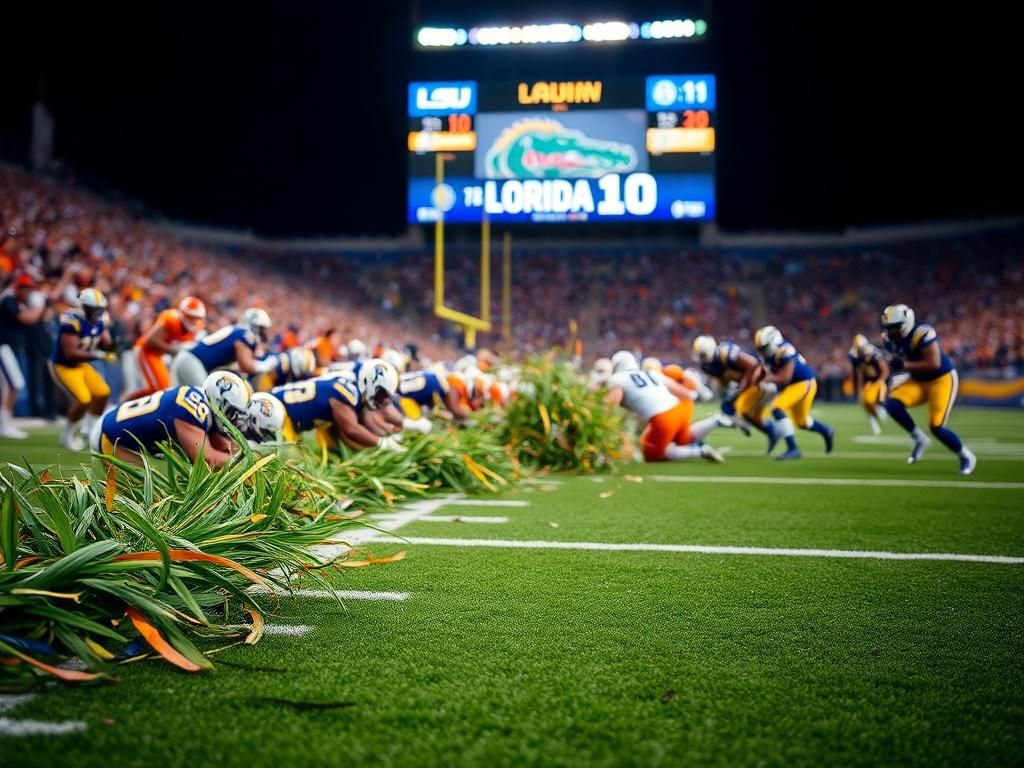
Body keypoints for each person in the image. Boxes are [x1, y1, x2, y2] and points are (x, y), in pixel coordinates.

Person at [880, 304, 976, 474]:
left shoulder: (922, 333)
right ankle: (919, 438)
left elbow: (934, 363)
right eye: (888, 328)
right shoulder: (889, 341)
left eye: (894, 328)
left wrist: (904, 366)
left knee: (936, 426)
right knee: (892, 404)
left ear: (906, 323)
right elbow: (896, 359)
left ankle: (966, 455)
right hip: (918, 381)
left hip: (941, 379)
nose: (891, 332)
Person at [92, 370, 251, 468]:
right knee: (136, 502)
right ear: (219, 402)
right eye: (232, 413)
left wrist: (243, 452)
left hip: (123, 429)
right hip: (112, 437)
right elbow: (208, 459)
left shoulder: (203, 400)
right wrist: (244, 462)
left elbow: (224, 447)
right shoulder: (191, 411)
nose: (234, 420)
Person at [604, 350, 730, 463]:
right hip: (678, 408)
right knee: (683, 439)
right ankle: (714, 421)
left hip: (663, 416)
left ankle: (699, 451)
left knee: (651, 453)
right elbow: (686, 393)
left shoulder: (618, 379)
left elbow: (610, 407)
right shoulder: (648, 374)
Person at [269, 358, 402, 451]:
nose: (383, 400)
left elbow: (343, 432)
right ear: (371, 383)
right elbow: (351, 430)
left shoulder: (354, 389)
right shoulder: (348, 393)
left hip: (281, 413)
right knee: (292, 467)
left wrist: (387, 435)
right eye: (383, 394)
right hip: (275, 413)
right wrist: (382, 443)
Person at [754, 325, 835, 460]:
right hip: (796, 384)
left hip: (804, 382)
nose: (762, 351)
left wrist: (763, 380)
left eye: (764, 347)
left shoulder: (785, 351)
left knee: (777, 408)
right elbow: (769, 371)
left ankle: (793, 449)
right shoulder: (770, 353)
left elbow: (784, 378)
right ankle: (826, 430)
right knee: (802, 422)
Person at [49, 288, 116, 450]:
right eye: (93, 309)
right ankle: (67, 434)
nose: (97, 313)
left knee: (102, 392)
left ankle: (90, 429)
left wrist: (110, 346)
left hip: (82, 365)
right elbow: (70, 353)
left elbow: (105, 341)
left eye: (99, 310)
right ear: (82, 306)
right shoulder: (72, 320)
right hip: (64, 365)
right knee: (84, 399)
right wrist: (98, 355)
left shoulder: (101, 320)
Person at [122, 296, 207, 401]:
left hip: (159, 355)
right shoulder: (172, 320)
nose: (193, 321)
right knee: (158, 389)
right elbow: (151, 341)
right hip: (146, 351)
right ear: (183, 314)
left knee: (164, 389)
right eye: (190, 317)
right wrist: (173, 350)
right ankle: (124, 404)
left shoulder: (198, 327)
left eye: (196, 318)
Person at [170, 307, 276, 386]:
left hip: (187, 359)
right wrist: (266, 365)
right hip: (193, 363)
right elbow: (246, 365)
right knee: (202, 402)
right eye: (262, 329)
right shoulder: (245, 334)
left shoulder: (237, 331)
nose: (264, 333)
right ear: (255, 326)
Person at [0, 274, 43, 438]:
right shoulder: (9, 300)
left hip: (9, 349)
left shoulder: (19, 302)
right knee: (14, 384)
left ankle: (5, 423)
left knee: (9, 385)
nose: (27, 292)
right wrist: (38, 308)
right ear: (17, 287)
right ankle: (4, 425)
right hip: (3, 347)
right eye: (24, 288)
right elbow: (25, 318)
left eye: (29, 288)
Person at [848, 333, 890, 435]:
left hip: (880, 379)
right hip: (867, 381)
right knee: (865, 401)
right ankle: (873, 418)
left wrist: (880, 381)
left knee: (873, 399)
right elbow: (856, 373)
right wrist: (856, 389)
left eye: (861, 348)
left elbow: (885, 370)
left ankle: (880, 406)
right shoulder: (854, 356)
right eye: (858, 349)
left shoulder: (874, 354)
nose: (860, 351)